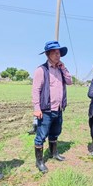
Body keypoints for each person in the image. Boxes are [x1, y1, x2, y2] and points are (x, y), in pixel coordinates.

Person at [32, 40, 72, 173]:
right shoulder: (41, 70)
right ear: (48, 54)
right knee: (41, 135)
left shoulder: (61, 70)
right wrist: (37, 108)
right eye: (55, 52)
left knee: (55, 132)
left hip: (59, 108)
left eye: (59, 52)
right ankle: (39, 162)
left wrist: (64, 68)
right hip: (46, 109)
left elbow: (70, 81)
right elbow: (36, 90)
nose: (58, 55)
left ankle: (53, 153)